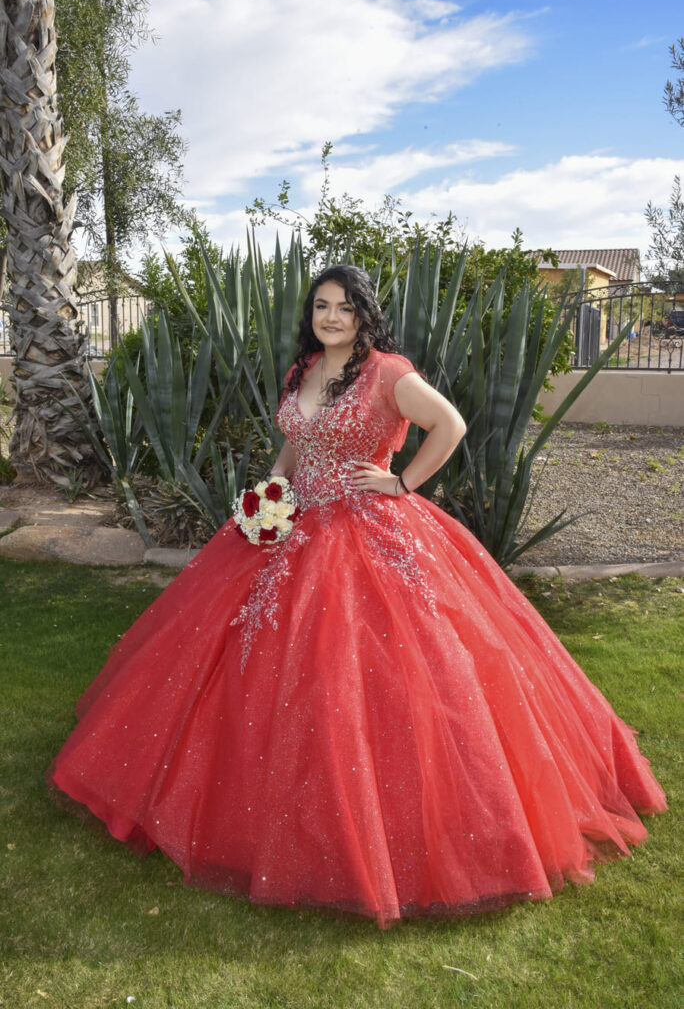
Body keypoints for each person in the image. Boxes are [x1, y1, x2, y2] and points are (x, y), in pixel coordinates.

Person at [47, 264, 667, 929]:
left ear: (365, 314)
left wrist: (401, 484)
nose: (332, 317)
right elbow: (294, 441)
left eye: (345, 307)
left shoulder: (389, 372)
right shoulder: (303, 370)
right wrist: (269, 492)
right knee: (244, 657)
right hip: (289, 526)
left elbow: (450, 425)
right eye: (322, 306)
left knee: (372, 671)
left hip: (364, 532)